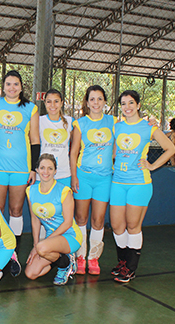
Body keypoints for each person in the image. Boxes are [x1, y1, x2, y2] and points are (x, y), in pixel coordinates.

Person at [111, 90, 175, 283]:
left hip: (139, 183)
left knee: (132, 226)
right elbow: (114, 152)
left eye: (131, 103)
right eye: (123, 103)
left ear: (138, 105)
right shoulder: (117, 127)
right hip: (118, 182)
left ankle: (130, 268)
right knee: (116, 226)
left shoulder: (148, 128)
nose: (127, 107)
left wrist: (152, 165)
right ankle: (122, 262)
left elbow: (170, 148)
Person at [0, 70, 40, 264]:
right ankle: (0, 248)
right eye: (8, 84)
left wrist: (33, 168)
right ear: (3, 86)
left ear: (21, 87)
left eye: (16, 84)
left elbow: (35, 140)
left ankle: (13, 252)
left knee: (16, 210)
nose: (12, 88)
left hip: (21, 169)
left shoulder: (30, 108)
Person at [70, 85, 116, 275]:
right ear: (87, 102)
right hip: (83, 177)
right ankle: (81, 257)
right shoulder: (80, 123)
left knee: (98, 220)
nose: (96, 103)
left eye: (99, 99)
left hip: (104, 178)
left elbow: (118, 146)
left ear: (105, 102)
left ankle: (93, 258)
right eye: (92, 99)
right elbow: (73, 153)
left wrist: (110, 160)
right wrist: (74, 176)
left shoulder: (113, 121)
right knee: (81, 218)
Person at [24, 154, 82, 286]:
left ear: (55, 171)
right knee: (31, 274)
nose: (46, 172)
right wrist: (35, 245)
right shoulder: (31, 191)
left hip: (69, 235)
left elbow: (67, 223)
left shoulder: (64, 191)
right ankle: (63, 258)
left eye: (50, 168)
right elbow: (35, 219)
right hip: (51, 238)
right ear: (37, 170)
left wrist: (42, 245)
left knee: (42, 248)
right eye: (42, 168)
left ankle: (65, 265)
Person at [40, 89, 73, 187]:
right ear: (45, 103)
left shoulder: (70, 122)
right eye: (49, 101)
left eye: (56, 101)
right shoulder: (39, 121)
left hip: (64, 173)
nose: (53, 105)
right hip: (43, 173)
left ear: (62, 103)